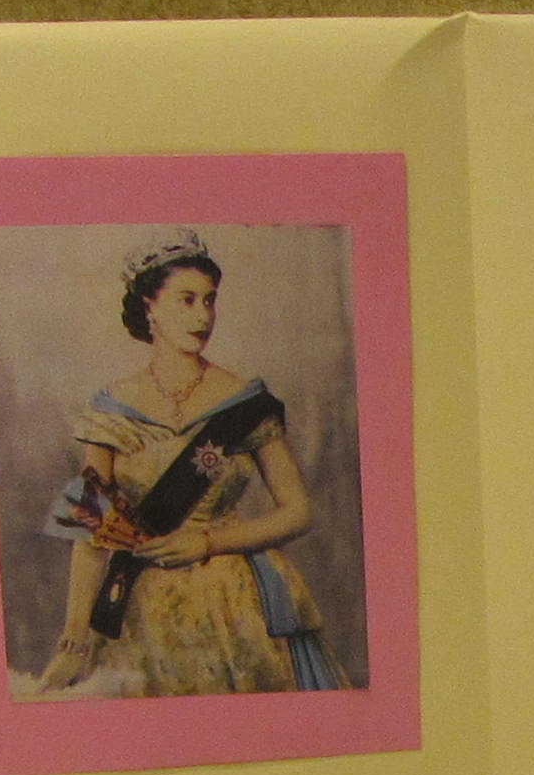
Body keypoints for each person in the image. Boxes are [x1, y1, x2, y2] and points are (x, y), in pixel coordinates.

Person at [29, 230, 344, 697]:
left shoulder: (245, 401)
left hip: (236, 602)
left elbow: (298, 512)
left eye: (210, 301)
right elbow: (93, 529)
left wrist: (207, 541)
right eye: (187, 300)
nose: (203, 316)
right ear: (150, 307)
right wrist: (74, 640)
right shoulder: (112, 407)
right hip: (138, 609)